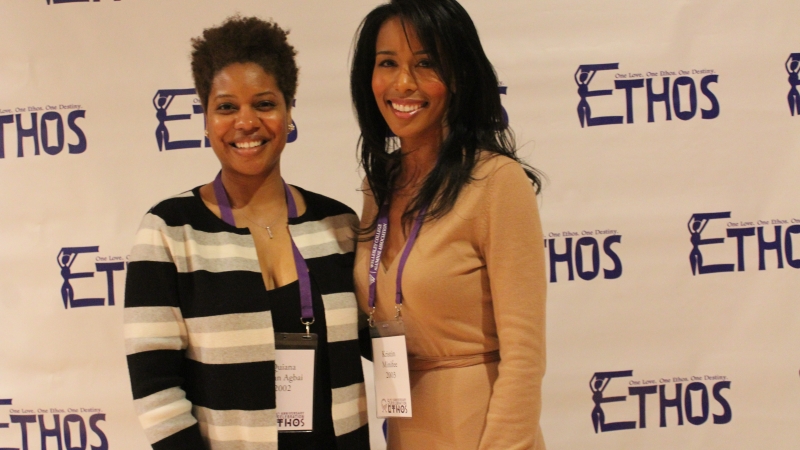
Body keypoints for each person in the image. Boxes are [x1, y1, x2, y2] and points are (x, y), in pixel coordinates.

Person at [124, 16, 369, 450]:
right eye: (226, 107)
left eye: (264, 103)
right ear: (205, 117)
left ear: (289, 110)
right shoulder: (169, 231)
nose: (246, 122)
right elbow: (157, 391)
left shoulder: (340, 226)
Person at [350, 1, 547, 449]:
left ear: (457, 77)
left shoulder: (496, 181)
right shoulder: (377, 186)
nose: (403, 83)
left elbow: (525, 355)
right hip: (405, 428)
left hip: (480, 429)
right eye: (388, 64)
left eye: (425, 64)